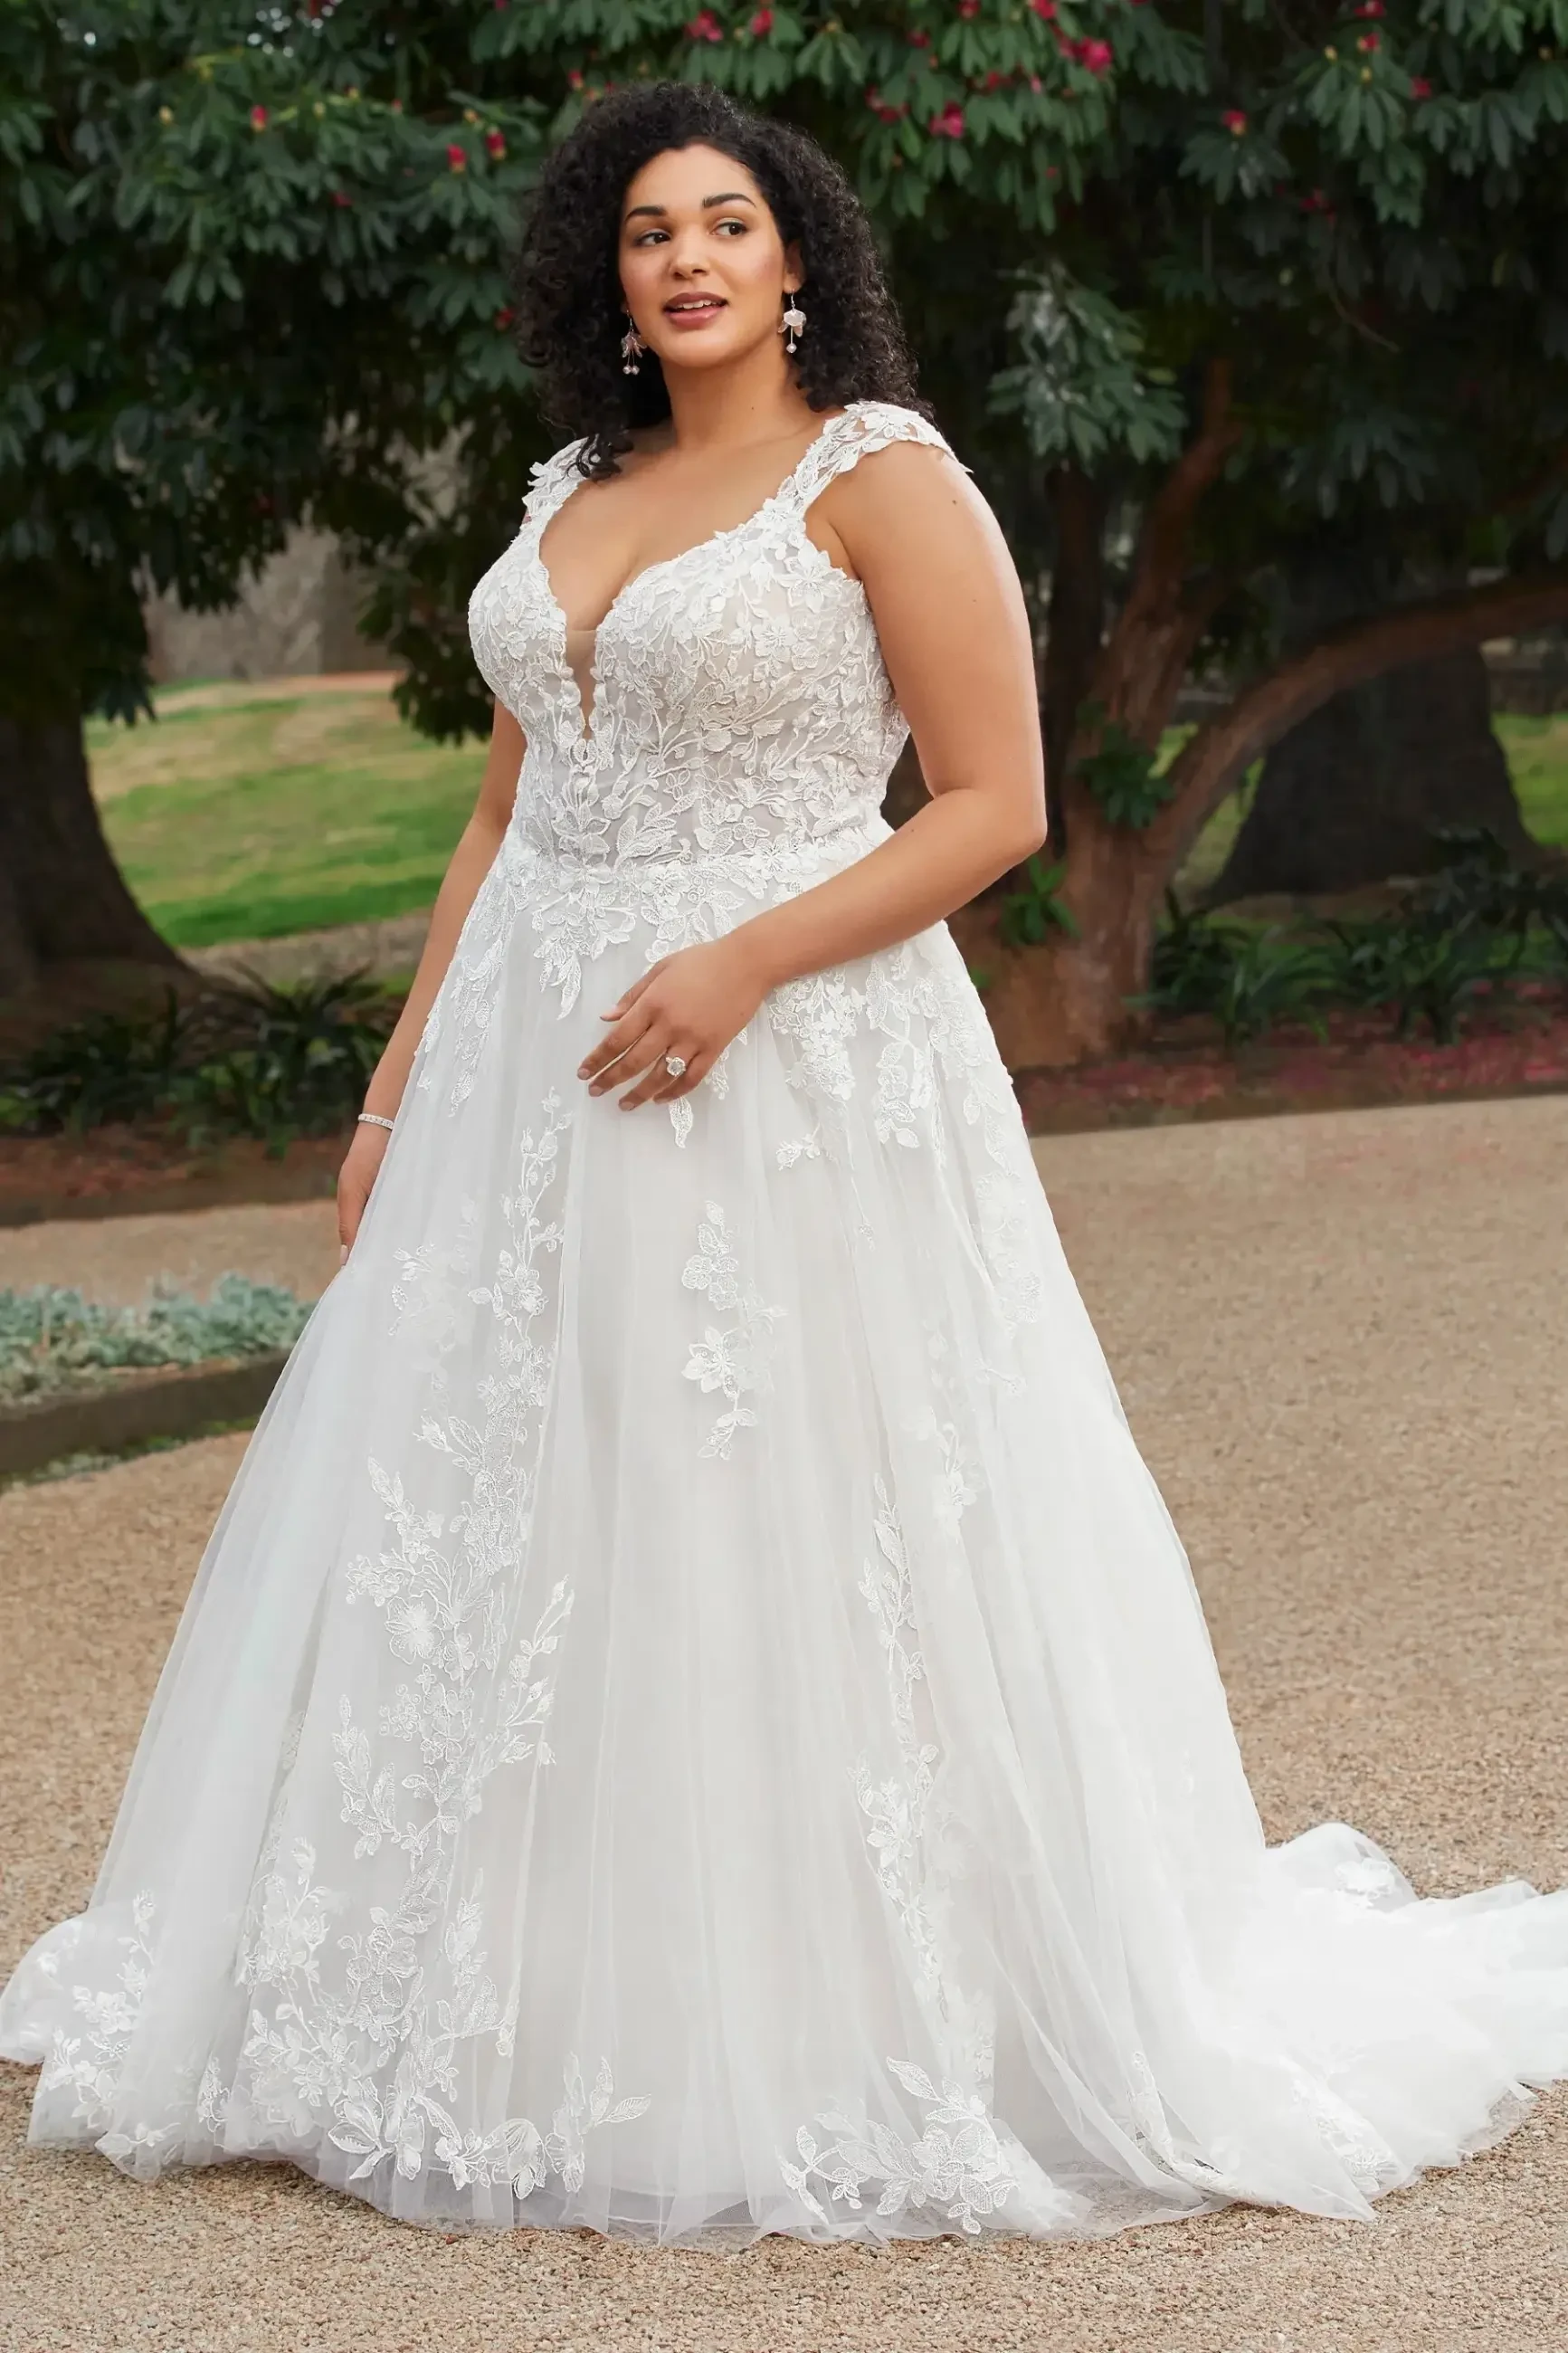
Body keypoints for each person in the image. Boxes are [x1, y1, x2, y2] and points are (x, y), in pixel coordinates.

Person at [4, 81, 1566, 2250]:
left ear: (797, 257)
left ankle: (818, 2002)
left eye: (726, 220)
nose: (687, 256)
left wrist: (735, 961)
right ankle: (493, 1980)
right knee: (513, 1495)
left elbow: (990, 803)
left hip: (790, 1056)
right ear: (610, 280)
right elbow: (497, 815)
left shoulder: (881, 475)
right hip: (527, 1067)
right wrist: (392, 1085)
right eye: (646, 229)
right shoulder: (574, 480)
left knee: (784, 1494)